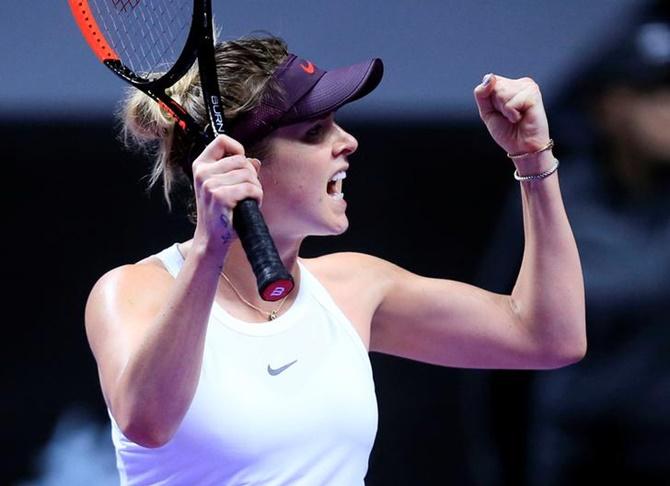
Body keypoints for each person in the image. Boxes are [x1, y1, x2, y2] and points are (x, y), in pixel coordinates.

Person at [84, 36, 586, 484]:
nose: (348, 142)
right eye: (314, 132)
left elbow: (547, 338)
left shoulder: (354, 287)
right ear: (241, 162)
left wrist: (534, 159)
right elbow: (147, 423)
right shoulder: (131, 291)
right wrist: (208, 251)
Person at [468, 3, 670, 485]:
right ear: (607, 105)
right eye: (652, 93)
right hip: (575, 456)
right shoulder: (554, 196)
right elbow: (502, 340)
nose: (668, 109)